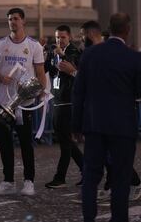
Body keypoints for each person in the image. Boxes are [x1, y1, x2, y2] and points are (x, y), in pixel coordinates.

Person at [72, 13, 141, 222]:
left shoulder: (90, 55)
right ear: (127, 31)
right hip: (123, 126)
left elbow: (79, 92)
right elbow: (138, 92)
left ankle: (89, 218)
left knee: (91, 177)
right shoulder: (134, 57)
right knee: (120, 179)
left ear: (109, 29)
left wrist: (76, 125)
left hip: (94, 124)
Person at [0, 7, 46, 196]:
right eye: (10, 19)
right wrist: (1, 77)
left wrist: (41, 93)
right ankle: (8, 181)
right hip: (4, 103)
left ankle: (29, 181)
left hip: (24, 103)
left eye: (16, 19)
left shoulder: (34, 45)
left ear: (23, 22)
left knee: (26, 143)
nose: (13, 22)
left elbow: (39, 73)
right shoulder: (0, 44)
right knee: (4, 144)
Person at [44, 25, 83, 188]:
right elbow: (47, 70)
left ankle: (60, 177)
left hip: (69, 101)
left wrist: (63, 55)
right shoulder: (54, 53)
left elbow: (73, 66)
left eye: (63, 37)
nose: (59, 40)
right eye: (57, 37)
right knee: (65, 140)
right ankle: (86, 168)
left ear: (70, 37)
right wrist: (44, 54)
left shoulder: (74, 52)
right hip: (57, 99)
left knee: (65, 142)